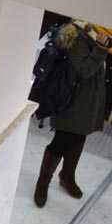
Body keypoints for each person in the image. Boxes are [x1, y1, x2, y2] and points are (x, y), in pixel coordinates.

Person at [33, 21, 109, 207]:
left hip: (88, 101)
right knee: (60, 142)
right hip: (71, 102)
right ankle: (42, 183)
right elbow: (84, 70)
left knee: (79, 138)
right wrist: (100, 48)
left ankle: (67, 176)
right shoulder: (78, 34)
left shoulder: (99, 32)